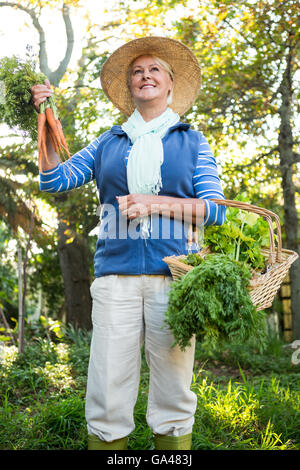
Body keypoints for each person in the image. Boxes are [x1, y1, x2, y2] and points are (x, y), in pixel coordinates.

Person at [31, 36, 226, 451]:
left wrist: (154, 202)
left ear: (170, 84)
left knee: (174, 387)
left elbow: (216, 210)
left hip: (175, 278)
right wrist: (44, 118)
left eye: (154, 69)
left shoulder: (192, 141)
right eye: (137, 71)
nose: (145, 75)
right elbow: (53, 181)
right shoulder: (108, 142)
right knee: (107, 384)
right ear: (130, 86)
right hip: (115, 277)